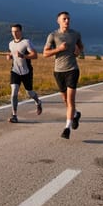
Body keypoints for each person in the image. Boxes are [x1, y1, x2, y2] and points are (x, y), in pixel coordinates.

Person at [43, 11, 83, 139]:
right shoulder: (53, 35)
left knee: (70, 100)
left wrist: (78, 51)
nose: (67, 21)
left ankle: (67, 128)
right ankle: (75, 114)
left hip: (72, 69)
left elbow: (80, 47)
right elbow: (45, 53)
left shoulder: (75, 34)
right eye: (64, 19)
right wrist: (59, 49)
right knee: (65, 100)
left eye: (68, 19)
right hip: (58, 71)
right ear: (58, 21)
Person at [6, 23, 42, 123]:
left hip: (26, 72)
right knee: (14, 92)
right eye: (13, 31)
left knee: (29, 92)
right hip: (15, 71)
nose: (14, 33)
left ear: (21, 31)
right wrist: (9, 56)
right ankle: (14, 115)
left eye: (16, 31)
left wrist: (23, 56)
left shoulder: (26, 42)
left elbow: (35, 55)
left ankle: (38, 102)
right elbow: (12, 53)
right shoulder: (10, 43)